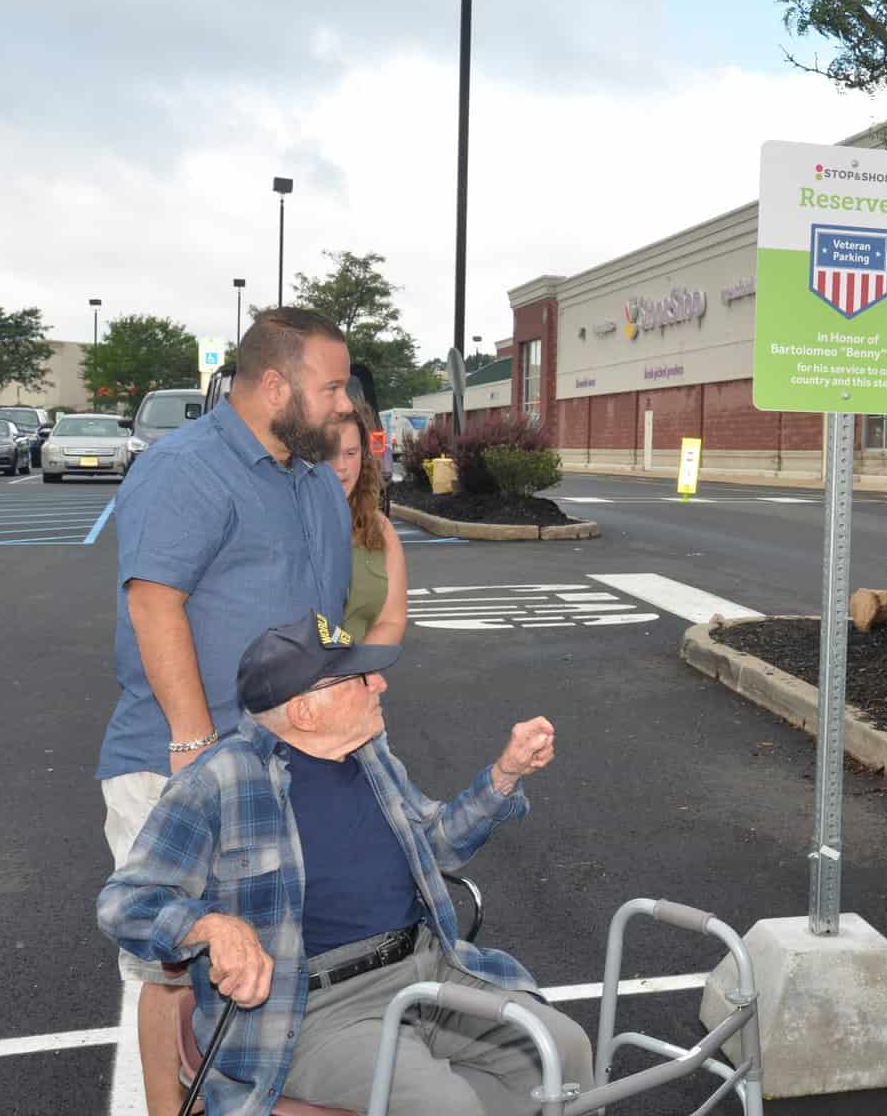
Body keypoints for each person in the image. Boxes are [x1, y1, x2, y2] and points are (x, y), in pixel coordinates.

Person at [98, 614, 592, 1116]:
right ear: (307, 711)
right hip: (310, 1009)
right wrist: (213, 927)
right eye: (360, 678)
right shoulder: (218, 782)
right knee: (445, 1105)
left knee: (563, 1050)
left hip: (427, 968)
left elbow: (436, 846)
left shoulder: (371, 757)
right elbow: (126, 903)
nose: (380, 682)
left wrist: (503, 777)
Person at [95, 307, 355, 1114]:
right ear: (274, 385)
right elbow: (154, 603)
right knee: (171, 964)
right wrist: (193, 743)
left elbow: (323, 620)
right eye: (332, 387)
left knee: (265, 960)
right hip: (177, 764)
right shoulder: (186, 468)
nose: (344, 405)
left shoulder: (312, 481)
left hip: (280, 767)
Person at [331, 405, 408, 644]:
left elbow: (391, 620)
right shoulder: (284, 523)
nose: (341, 466)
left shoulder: (380, 528)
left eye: (351, 453)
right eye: (329, 454)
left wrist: (356, 673)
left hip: (360, 675)